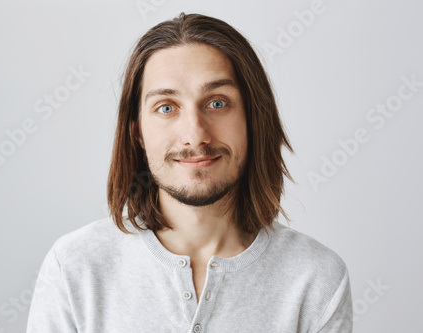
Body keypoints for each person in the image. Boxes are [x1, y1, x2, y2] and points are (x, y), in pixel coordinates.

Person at [26, 12, 353, 333]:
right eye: (166, 107)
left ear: (253, 119)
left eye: (217, 103)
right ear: (137, 132)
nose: (195, 135)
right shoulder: (75, 268)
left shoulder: (316, 279)